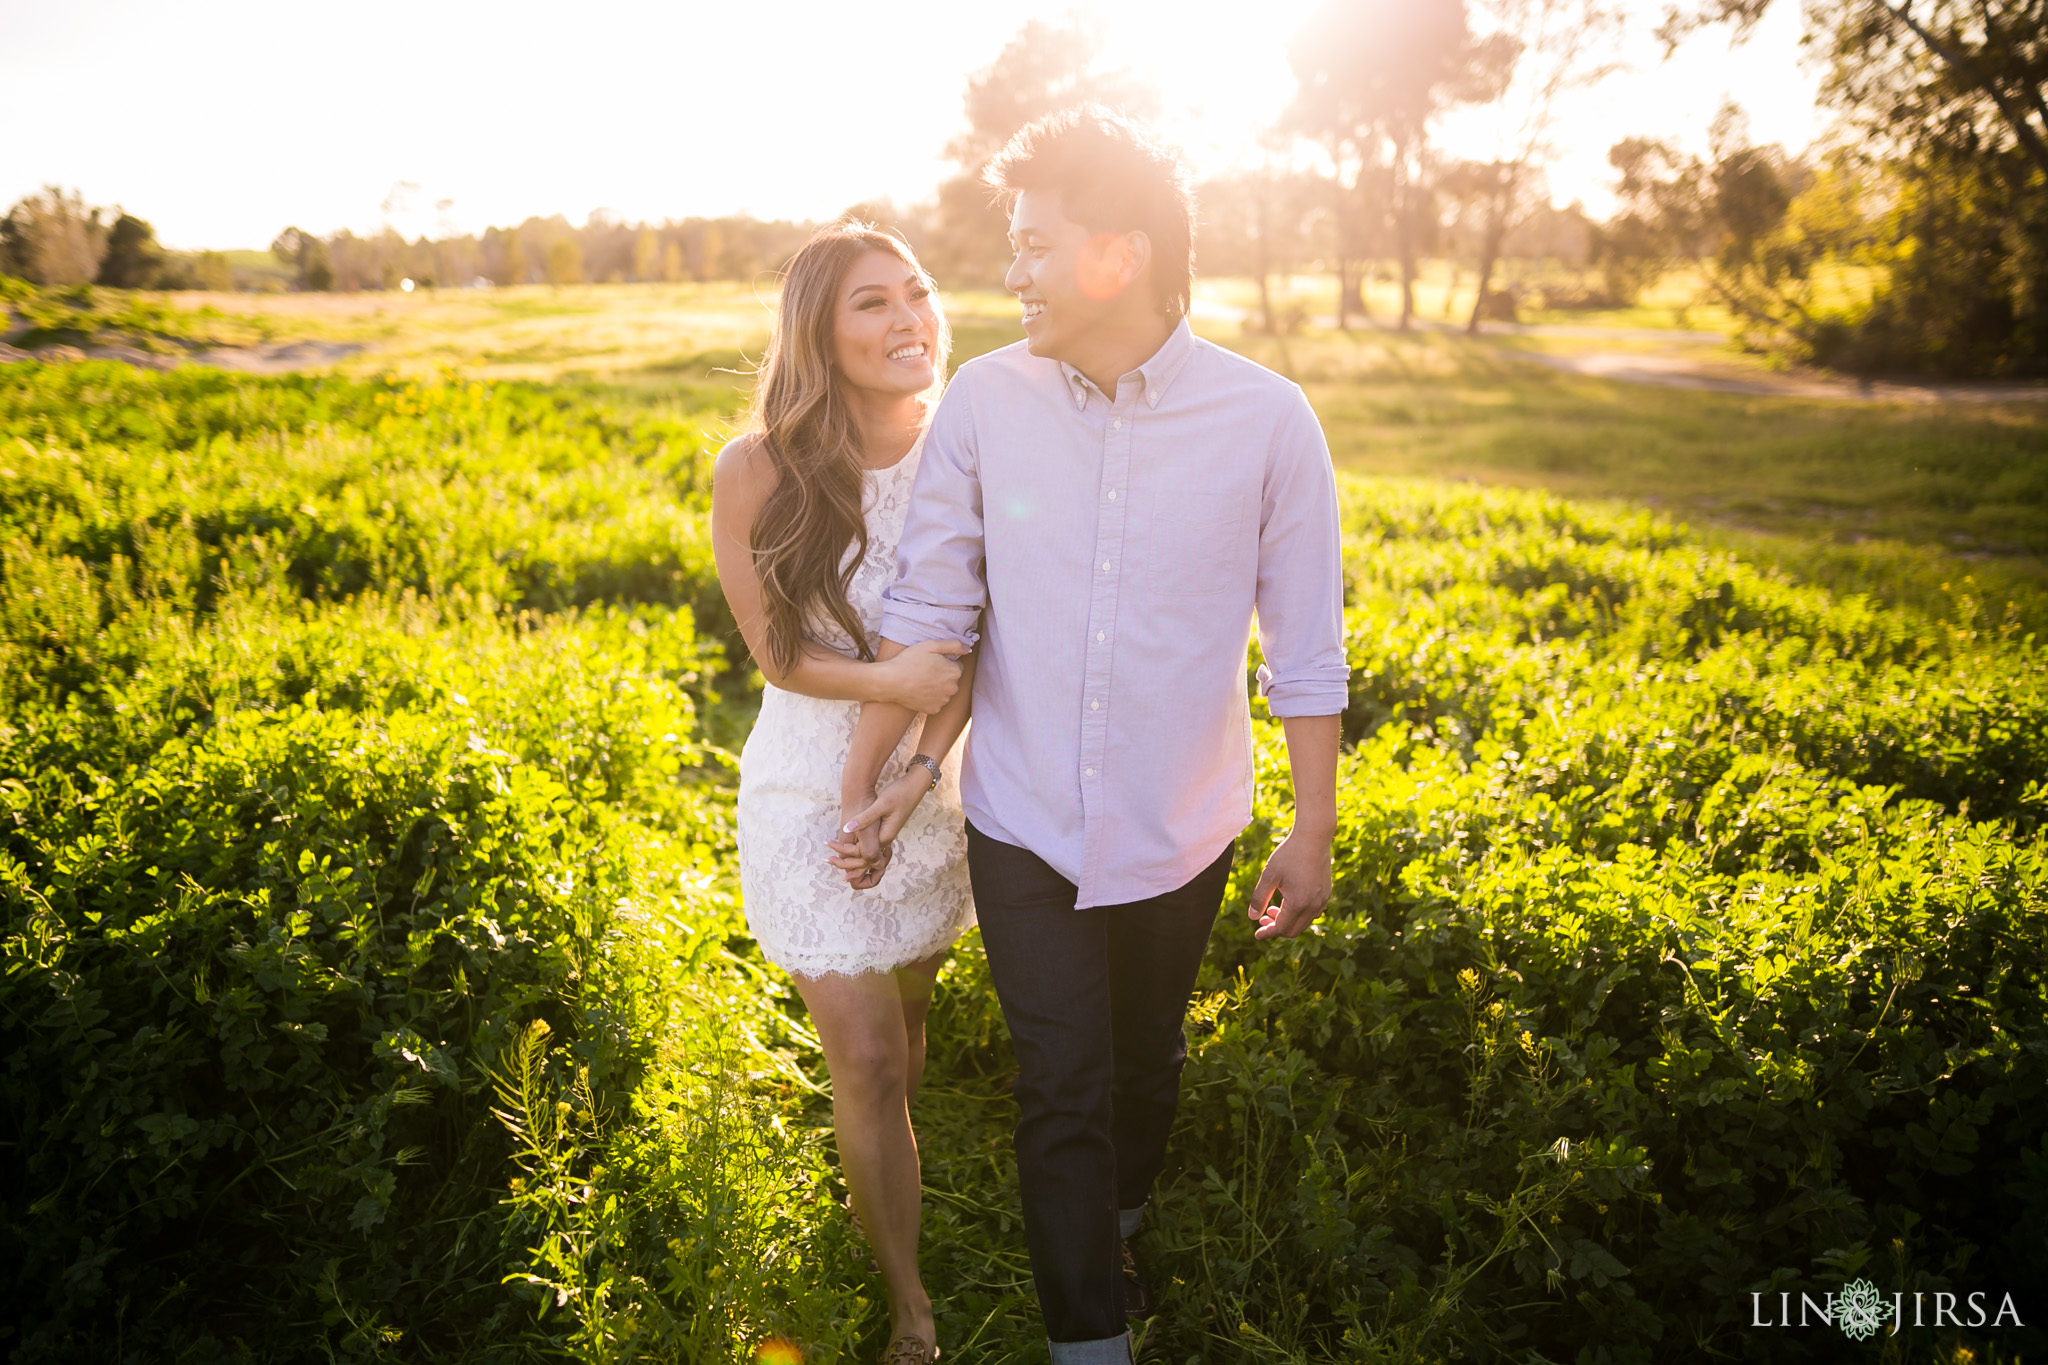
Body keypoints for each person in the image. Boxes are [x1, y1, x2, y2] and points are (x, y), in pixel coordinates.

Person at [831, 108, 1349, 1365]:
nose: (1008, 275)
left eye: (1034, 246)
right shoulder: (984, 403)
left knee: (1143, 1061)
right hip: (1023, 816)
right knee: (1059, 1081)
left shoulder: (1267, 419)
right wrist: (892, 783)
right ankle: (1089, 1342)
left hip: (1187, 819)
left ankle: (1117, 1215)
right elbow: (929, 614)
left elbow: (1304, 639)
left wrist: (1313, 821)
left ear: (1117, 255)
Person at [711, 221, 977, 1365]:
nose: (906, 318)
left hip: (933, 780)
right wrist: (890, 684)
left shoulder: (972, 443)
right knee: (865, 1057)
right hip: (803, 788)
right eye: (871, 302)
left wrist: (912, 773)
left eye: (914, 292)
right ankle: (910, 1314)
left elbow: (977, 647)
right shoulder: (759, 465)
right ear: (818, 329)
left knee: (908, 1023)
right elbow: (774, 653)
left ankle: (887, 1148)